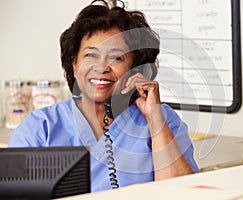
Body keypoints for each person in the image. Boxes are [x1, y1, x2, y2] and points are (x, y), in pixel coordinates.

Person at [8, 0, 199, 192]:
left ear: (134, 70)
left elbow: (186, 194)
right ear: (74, 65)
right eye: (91, 55)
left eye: (116, 58)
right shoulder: (40, 129)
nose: (101, 68)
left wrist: (154, 119)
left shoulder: (163, 119)